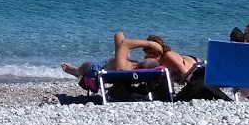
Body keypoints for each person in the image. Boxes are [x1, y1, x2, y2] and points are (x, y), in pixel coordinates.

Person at [62, 32, 200, 86]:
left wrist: (149, 44)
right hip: (121, 63)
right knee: (120, 38)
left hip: (104, 67)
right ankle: (75, 70)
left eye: (151, 55)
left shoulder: (122, 68)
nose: (149, 56)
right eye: (147, 55)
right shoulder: (148, 67)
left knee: (87, 66)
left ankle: (75, 71)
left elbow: (123, 42)